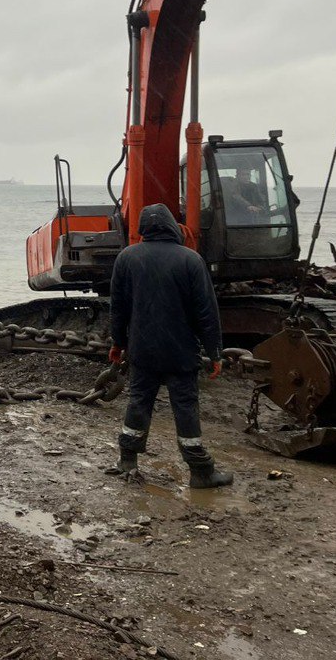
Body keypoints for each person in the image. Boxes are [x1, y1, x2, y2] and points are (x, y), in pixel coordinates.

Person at [106, 203, 233, 489]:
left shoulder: (127, 258)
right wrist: (215, 353)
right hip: (181, 352)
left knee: (139, 401)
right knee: (185, 407)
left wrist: (118, 342)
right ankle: (200, 471)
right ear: (172, 227)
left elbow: (118, 308)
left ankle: (127, 460)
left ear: (143, 229)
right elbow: (206, 312)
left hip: (142, 350)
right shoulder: (191, 260)